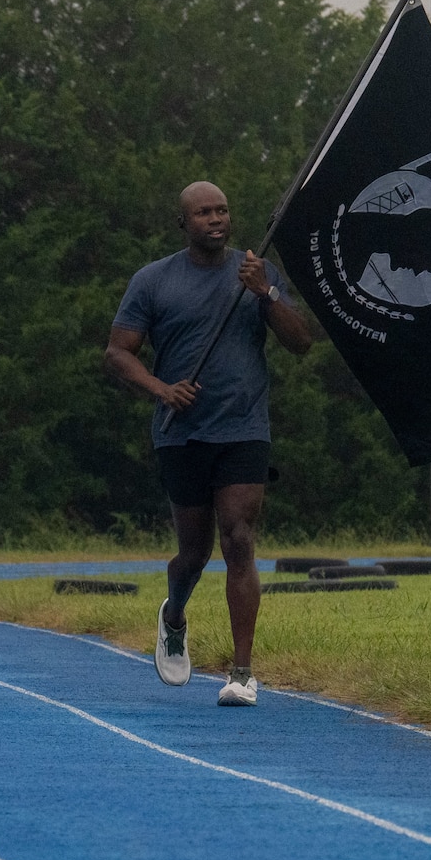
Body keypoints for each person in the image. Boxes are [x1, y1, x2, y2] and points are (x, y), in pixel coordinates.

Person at [105, 180, 315, 706]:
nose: (215, 220)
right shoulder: (154, 280)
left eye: (222, 210)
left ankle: (242, 672)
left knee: (238, 538)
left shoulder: (255, 271)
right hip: (182, 433)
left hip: (243, 427)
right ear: (184, 223)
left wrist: (265, 293)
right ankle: (174, 614)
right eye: (203, 213)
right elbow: (117, 352)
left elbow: (301, 342)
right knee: (193, 554)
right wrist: (161, 390)